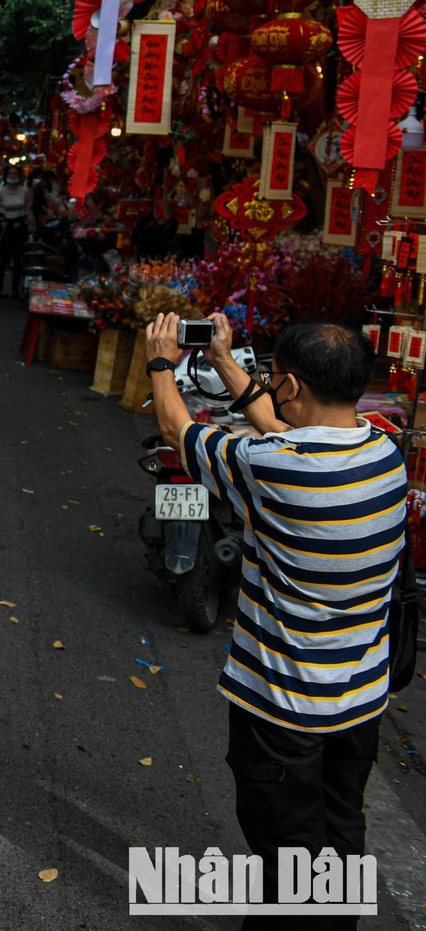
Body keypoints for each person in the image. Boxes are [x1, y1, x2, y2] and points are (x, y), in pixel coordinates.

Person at [145, 314, 407, 926]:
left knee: (284, 861)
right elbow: (279, 423)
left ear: (289, 385)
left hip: (284, 708)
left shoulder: (272, 465)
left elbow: (174, 426)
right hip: (358, 701)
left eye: (276, 381)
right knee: (339, 837)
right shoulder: (380, 450)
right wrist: (224, 359)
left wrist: (161, 362)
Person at [0, 164, 33, 297]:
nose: (13, 176)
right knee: (3, 259)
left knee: (18, 260)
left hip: (19, 228)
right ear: (6, 176)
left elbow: (27, 210)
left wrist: (30, 224)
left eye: (16, 174)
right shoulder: (0, 192)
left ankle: (15, 290)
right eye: (10, 174)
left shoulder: (24, 192)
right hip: (4, 228)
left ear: (19, 176)